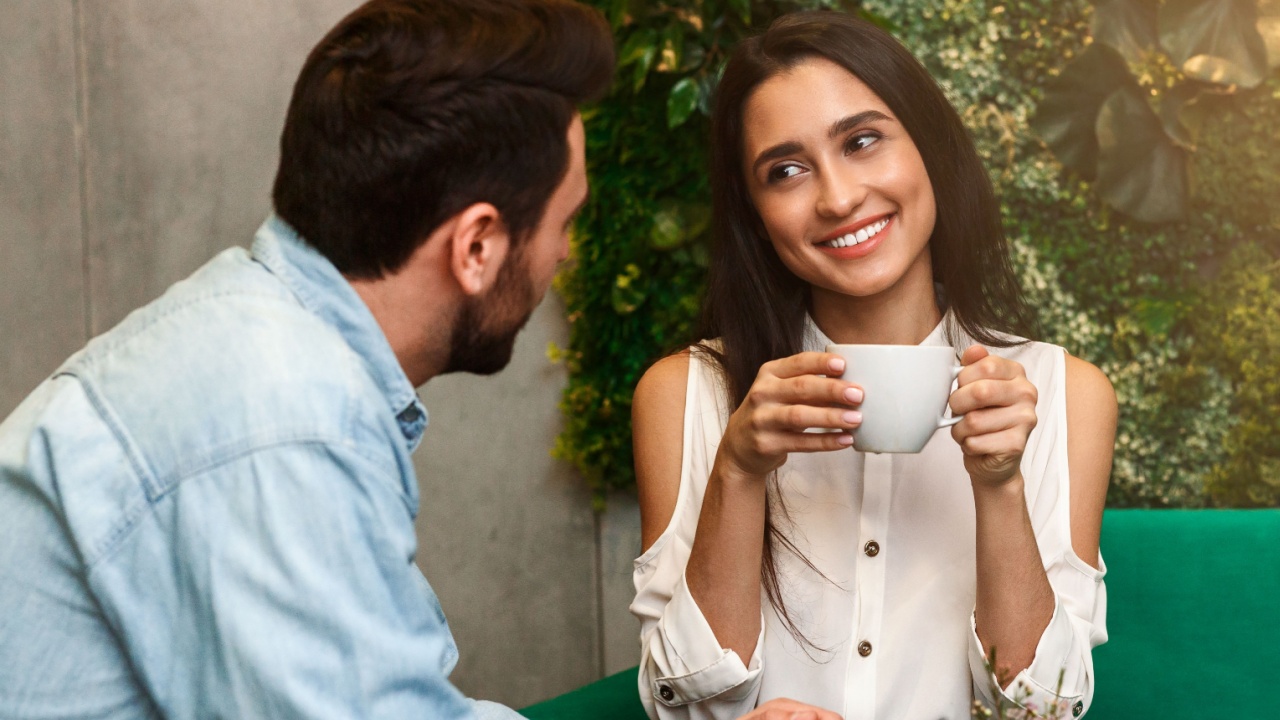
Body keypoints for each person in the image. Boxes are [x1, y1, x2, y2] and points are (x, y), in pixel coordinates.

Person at [0, 1, 614, 717]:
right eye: (565, 221)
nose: (565, 254)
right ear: (476, 245)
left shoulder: (258, 343)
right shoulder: (285, 413)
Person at [630, 11, 1116, 720]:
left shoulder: (1061, 392)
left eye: (861, 141)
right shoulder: (688, 393)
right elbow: (683, 705)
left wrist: (1000, 485)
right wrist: (738, 471)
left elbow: (1039, 709)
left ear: (930, 148)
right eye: (785, 171)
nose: (838, 198)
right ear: (754, 212)